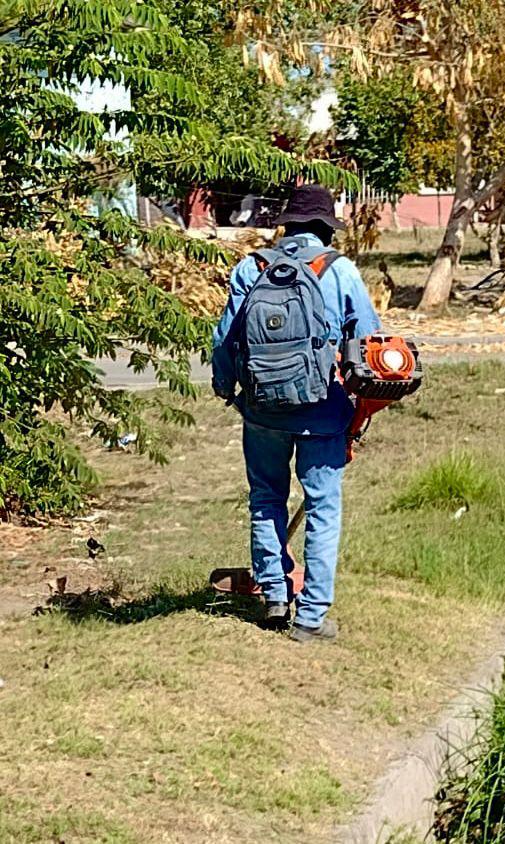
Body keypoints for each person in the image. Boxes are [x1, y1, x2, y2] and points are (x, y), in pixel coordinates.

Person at [211, 184, 380, 642]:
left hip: (262, 410)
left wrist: (228, 389)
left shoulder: (252, 268)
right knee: (322, 507)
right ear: (327, 228)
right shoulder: (340, 270)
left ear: (286, 226)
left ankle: (273, 595)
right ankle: (311, 617)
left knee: (266, 496)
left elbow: (224, 339)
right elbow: (370, 341)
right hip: (322, 411)